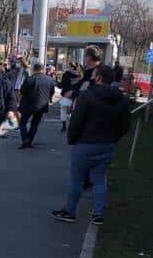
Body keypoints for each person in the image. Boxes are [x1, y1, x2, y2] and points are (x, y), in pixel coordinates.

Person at [51, 64, 131, 226]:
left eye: (94, 74)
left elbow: (77, 121)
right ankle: (98, 214)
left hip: (85, 144)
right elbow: (125, 124)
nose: (91, 77)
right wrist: (114, 138)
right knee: (99, 179)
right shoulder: (121, 99)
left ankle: (70, 211)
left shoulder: (87, 96)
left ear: (99, 77)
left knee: (76, 178)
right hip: (107, 145)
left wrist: (72, 139)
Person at [18, 63, 56, 148]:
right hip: (41, 105)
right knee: (35, 123)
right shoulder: (49, 80)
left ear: (34, 70)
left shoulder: (30, 79)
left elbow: (22, 91)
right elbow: (52, 92)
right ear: (42, 70)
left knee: (23, 122)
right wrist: (47, 98)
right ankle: (30, 140)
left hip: (28, 105)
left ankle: (25, 139)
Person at [58, 60, 81, 132]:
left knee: (63, 109)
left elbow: (62, 84)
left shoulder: (66, 74)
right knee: (73, 111)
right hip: (76, 95)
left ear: (70, 67)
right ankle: (72, 125)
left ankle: (64, 125)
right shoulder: (80, 75)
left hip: (66, 94)